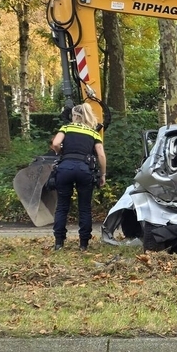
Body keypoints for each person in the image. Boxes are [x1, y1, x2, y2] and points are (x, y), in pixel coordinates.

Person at [50, 103, 107, 251]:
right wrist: (103, 174)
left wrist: (60, 153)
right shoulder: (93, 132)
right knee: (85, 207)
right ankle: (83, 244)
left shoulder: (67, 128)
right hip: (84, 169)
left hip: (65, 168)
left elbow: (56, 143)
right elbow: (100, 154)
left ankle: (59, 242)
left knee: (62, 206)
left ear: (74, 116)